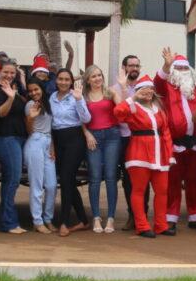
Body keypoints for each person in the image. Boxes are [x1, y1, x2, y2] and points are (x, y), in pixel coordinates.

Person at [113, 75, 174, 237]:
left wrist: (170, 154)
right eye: (143, 90)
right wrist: (133, 97)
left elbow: (166, 132)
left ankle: (161, 224)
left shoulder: (159, 109)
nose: (148, 92)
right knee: (139, 190)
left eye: (150, 89)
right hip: (139, 154)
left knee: (162, 191)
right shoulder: (133, 107)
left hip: (160, 155)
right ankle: (142, 226)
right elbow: (118, 112)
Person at [155, 49, 196, 231]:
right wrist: (167, 65)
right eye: (178, 67)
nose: (182, 71)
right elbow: (158, 81)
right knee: (172, 182)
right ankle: (170, 217)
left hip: (194, 143)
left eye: (185, 67)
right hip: (174, 144)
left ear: (190, 70)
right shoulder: (166, 87)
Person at [50, 69, 91, 236]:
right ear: (57, 80)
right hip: (58, 139)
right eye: (61, 79)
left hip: (74, 138)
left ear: (71, 81)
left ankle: (64, 222)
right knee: (67, 181)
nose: (63, 82)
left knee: (67, 179)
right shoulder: (52, 97)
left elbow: (86, 118)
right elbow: (50, 122)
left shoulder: (76, 96)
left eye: (67, 79)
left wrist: (80, 99)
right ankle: (83, 220)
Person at [82, 64, 122, 234]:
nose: (97, 79)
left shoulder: (110, 92)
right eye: (93, 76)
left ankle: (111, 218)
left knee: (111, 177)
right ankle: (97, 217)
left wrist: (122, 88)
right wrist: (87, 134)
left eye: (99, 75)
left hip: (112, 136)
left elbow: (122, 110)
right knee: (95, 177)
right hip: (93, 137)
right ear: (88, 80)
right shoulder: (83, 96)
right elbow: (80, 118)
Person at [0, 60, 28, 233]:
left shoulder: (16, 89)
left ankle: (8, 220)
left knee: (12, 179)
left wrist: (18, 89)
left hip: (19, 138)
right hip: (6, 138)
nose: (9, 75)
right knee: (12, 179)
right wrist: (11, 98)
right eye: (6, 72)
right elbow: (0, 113)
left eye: (12, 73)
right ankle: (8, 222)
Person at [114, 54, 147, 230]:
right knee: (128, 179)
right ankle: (132, 216)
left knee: (144, 179)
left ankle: (143, 214)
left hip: (143, 137)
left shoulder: (146, 88)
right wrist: (123, 88)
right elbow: (122, 113)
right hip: (124, 138)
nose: (134, 68)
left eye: (137, 65)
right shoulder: (115, 88)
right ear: (124, 67)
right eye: (131, 65)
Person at [24, 79, 58, 234]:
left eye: (36, 89)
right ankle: (37, 221)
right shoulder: (30, 105)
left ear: (42, 89)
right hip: (35, 142)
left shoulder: (49, 103)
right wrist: (31, 117)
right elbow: (29, 131)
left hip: (47, 143)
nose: (33, 93)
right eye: (30, 91)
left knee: (51, 185)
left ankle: (48, 218)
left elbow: (51, 128)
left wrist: (52, 146)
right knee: (37, 185)